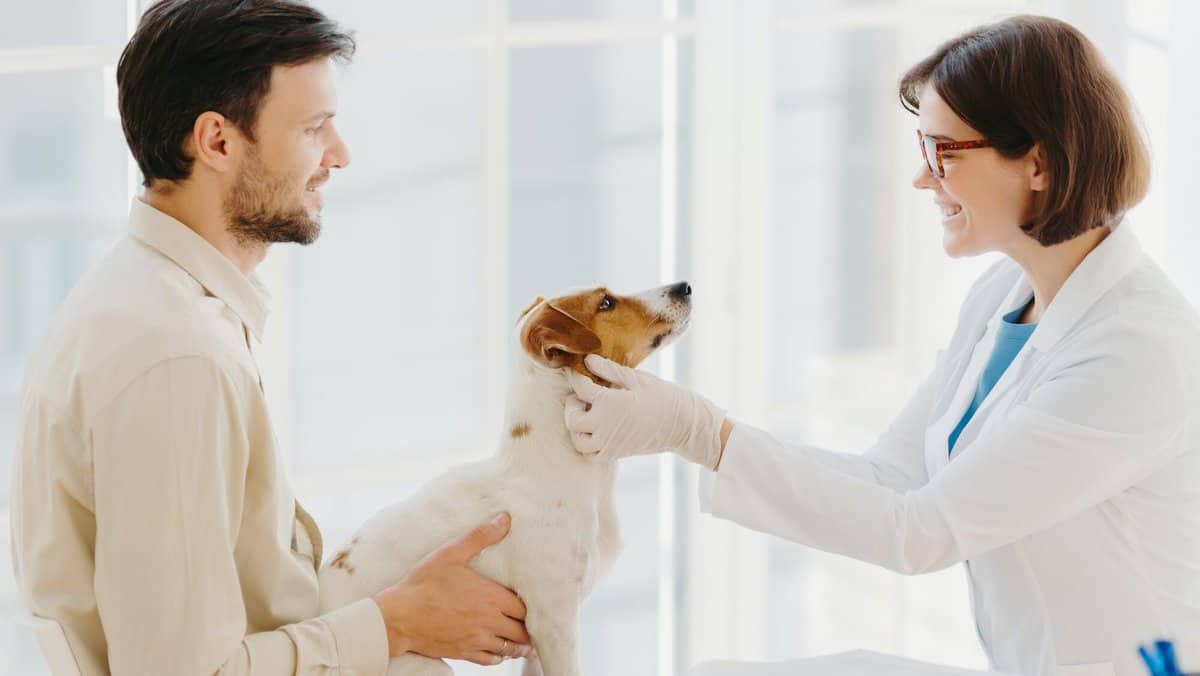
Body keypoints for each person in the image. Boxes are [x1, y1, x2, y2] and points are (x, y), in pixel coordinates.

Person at [564, 14, 1200, 676]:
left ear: (1037, 163)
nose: (924, 179)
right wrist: (693, 430)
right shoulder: (1002, 297)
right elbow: (891, 479)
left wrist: (697, 430)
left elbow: (920, 531)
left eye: (942, 151)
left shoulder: (1137, 350)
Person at [10, 1, 530, 673]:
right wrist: (394, 623)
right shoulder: (175, 355)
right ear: (218, 142)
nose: (339, 156)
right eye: (315, 129)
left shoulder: (151, 300)